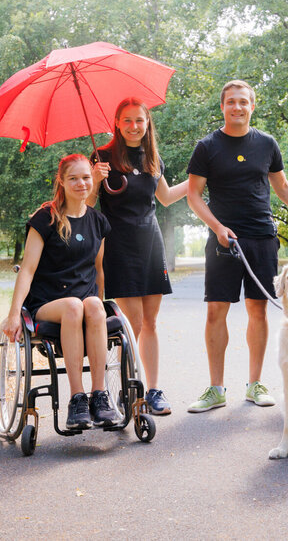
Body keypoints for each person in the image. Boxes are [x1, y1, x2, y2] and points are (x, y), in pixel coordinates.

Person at [185, 79, 288, 412]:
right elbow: (193, 195)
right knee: (216, 311)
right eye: (231, 102)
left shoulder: (266, 144)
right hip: (222, 240)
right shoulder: (207, 146)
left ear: (252, 106)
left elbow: (282, 187)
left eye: (243, 102)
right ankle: (216, 389)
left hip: (261, 238)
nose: (237, 107)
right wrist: (216, 227)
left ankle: (255, 384)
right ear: (223, 107)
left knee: (258, 310)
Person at [2, 154, 118, 430]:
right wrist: (13, 314)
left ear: (94, 180)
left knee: (92, 306)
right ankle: (77, 399)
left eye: (86, 177)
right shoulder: (46, 219)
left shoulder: (98, 221)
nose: (81, 183)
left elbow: (99, 270)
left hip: (84, 300)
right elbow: (27, 270)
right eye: (73, 178)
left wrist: (98, 310)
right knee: (73, 306)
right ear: (61, 182)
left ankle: (99, 395)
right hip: (48, 302)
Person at [88, 98, 187, 415]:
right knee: (133, 324)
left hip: (150, 243)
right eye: (127, 120)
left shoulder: (153, 158)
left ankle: (154, 391)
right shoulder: (101, 157)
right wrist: (94, 180)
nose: (133, 126)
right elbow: (87, 208)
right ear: (116, 122)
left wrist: (199, 179)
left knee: (151, 322)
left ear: (147, 124)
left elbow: (167, 197)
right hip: (118, 244)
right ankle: (131, 388)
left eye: (139, 121)